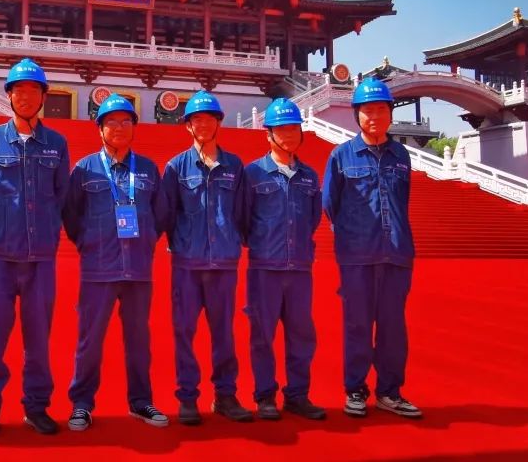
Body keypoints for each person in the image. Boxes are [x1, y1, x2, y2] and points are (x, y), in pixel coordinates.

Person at [0, 58, 70, 438]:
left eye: (33, 90)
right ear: (9, 96)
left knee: (38, 338)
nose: (25, 96)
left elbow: (62, 196)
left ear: (43, 97)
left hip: (41, 257)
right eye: (19, 90)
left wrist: (45, 231)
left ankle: (36, 407)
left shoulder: (56, 144)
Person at [63, 94, 170, 432]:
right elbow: (71, 214)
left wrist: (147, 239)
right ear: (100, 129)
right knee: (90, 340)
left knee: (139, 340)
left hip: (138, 269)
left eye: (126, 121)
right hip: (98, 269)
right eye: (112, 122)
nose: (119, 127)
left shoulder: (148, 169)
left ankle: (141, 401)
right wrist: (88, 243)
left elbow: (161, 214)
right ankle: (82, 404)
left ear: (134, 127)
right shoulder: (84, 169)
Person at [322, 77, 423, 419]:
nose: (375, 116)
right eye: (368, 111)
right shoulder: (341, 155)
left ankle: (390, 392)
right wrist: (353, 234)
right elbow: (330, 203)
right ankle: (355, 389)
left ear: (391, 114)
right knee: (358, 325)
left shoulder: (401, 155)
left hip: (396, 253)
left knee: (393, 328)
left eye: (381, 109)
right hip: (356, 256)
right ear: (357, 115)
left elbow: (402, 200)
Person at [161, 90, 252, 425]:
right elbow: (167, 213)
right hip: (187, 263)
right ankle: (187, 397)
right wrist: (181, 244)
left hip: (224, 264)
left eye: (208, 118)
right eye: (196, 119)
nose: (202, 124)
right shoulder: (175, 167)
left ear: (218, 123)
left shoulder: (235, 166)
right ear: (187, 125)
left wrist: (232, 241)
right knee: (184, 332)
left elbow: (242, 211)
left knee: (224, 333)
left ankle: (225, 395)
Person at [243, 98, 326, 421]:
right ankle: (265, 396)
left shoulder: (308, 176)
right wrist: (264, 244)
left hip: (300, 267)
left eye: (294, 128)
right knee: (262, 334)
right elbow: (242, 218)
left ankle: (298, 395)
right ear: (268, 134)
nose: (289, 135)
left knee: (302, 334)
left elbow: (313, 217)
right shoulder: (253, 174)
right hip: (265, 267)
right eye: (281, 130)